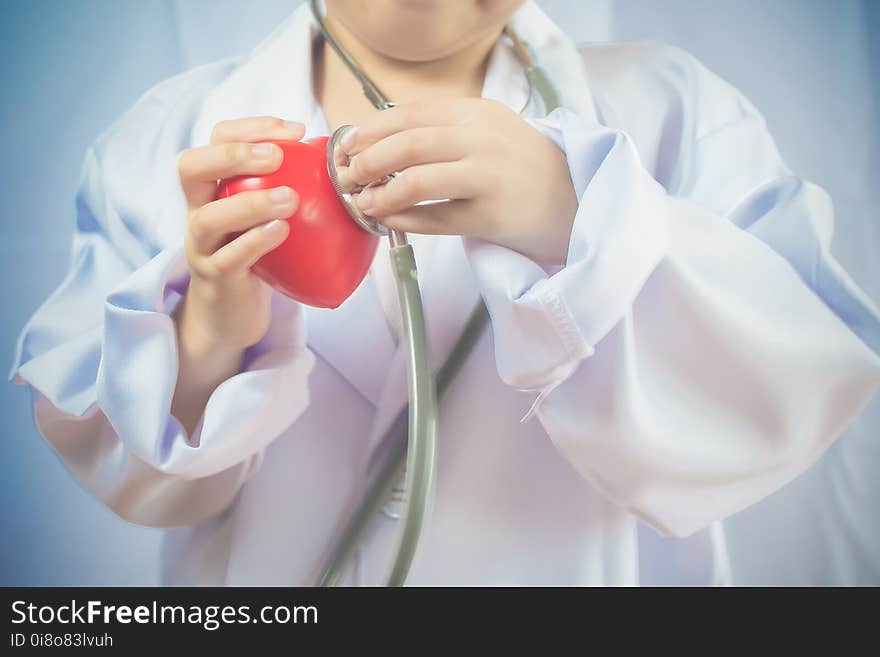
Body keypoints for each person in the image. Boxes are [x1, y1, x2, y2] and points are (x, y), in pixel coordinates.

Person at [10, 0, 880, 586]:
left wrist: (580, 220)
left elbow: (805, 375)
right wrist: (206, 332)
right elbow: (129, 463)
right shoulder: (173, 137)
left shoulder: (675, 113)